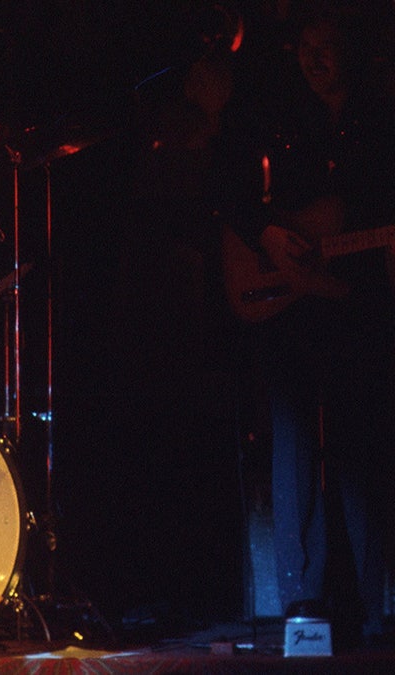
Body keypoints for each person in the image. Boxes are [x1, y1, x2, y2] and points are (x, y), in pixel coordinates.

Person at [211, 9, 395, 648]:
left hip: (360, 301)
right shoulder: (280, 118)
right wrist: (268, 234)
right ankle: (301, 600)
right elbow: (230, 190)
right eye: (305, 49)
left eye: (328, 49)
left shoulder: (379, 121)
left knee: (361, 449)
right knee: (291, 446)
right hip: (291, 303)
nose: (315, 60)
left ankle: (372, 607)